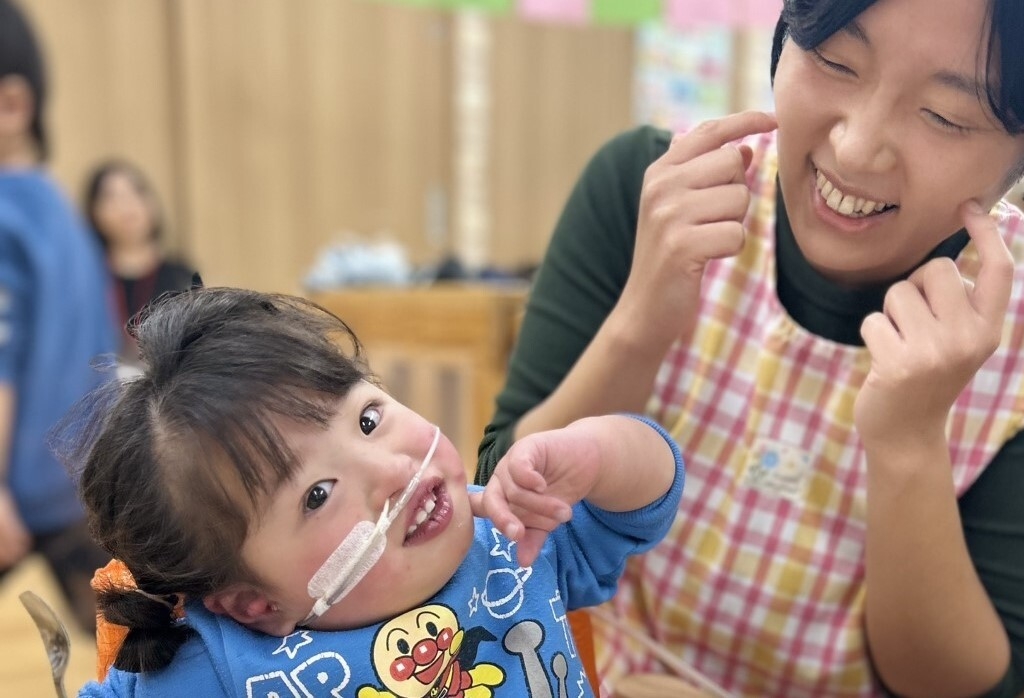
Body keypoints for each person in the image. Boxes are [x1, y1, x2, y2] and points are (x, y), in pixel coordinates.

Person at [477, 0, 1024, 696]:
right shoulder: (650, 189)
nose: (857, 147)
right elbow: (503, 524)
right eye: (836, 61)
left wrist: (908, 442)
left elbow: (958, 686)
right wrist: (642, 320)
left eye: (946, 116)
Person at [67, 285, 683, 697]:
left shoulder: (516, 538)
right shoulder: (224, 667)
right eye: (318, 494)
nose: (391, 469)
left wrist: (597, 451)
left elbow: (648, 500)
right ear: (255, 604)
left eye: (367, 419)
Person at [0, 0, 116, 635]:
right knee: (129, 650)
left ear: (12, 105)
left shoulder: (6, 214)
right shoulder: (56, 205)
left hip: (28, 485)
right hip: (83, 476)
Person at [82, 159, 196, 363]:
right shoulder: (85, 280)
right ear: (94, 213)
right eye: (111, 196)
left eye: (136, 191)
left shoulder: (182, 277)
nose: (126, 204)